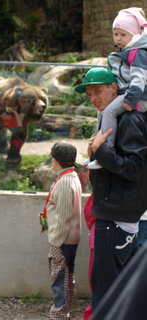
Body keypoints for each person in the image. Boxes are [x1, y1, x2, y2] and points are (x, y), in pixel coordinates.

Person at [74, 67, 147, 310]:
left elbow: (134, 168)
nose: (93, 98)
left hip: (118, 218)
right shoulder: (111, 117)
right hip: (112, 214)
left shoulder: (129, 119)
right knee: (108, 289)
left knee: (108, 293)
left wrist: (101, 150)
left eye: (98, 92)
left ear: (114, 88)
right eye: (89, 94)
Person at [76, 7, 147, 170]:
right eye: (116, 34)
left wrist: (130, 100)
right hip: (129, 95)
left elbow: (138, 79)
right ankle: (96, 144)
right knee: (102, 111)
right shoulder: (127, 52)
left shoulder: (138, 53)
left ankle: (105, 149)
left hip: (138, 98)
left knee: (108, 111)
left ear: (135, 34)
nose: (118, 38)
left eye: (123, 34)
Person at [41, 141, 82, 320]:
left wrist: (55, 241)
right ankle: (63, 312)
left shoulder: (65, 181)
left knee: (60, 279)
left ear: (55, 160)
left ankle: (59, 315)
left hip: (62, 240)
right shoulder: (71, 176)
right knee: (65, 277)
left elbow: (64, 214)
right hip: (68, 238)